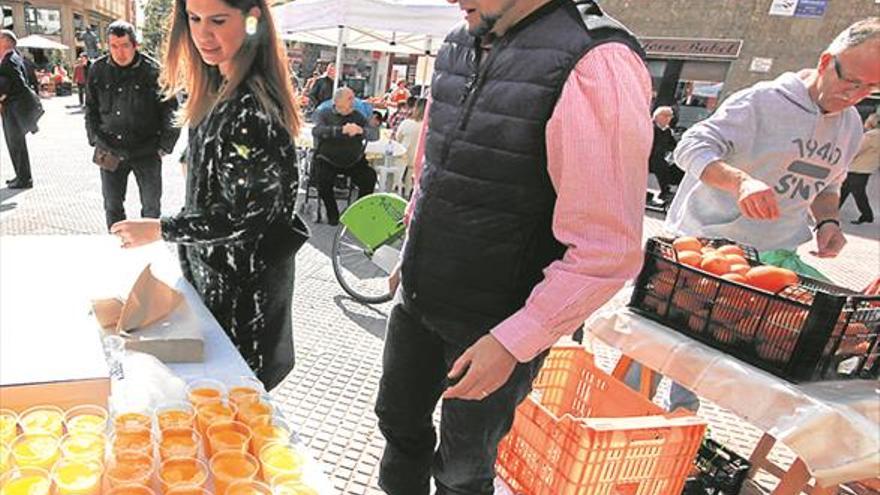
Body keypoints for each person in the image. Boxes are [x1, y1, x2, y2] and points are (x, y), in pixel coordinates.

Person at [374, 0, 652, 493]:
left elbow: (607, 248)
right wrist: (410, 247)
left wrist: (514, 341)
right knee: (398, 427)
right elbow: (433, 169)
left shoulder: (596, 59)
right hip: (419, 298)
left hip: (497, 324)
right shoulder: (461, 39)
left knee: (462, 470)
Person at [109, 0, 307, 390]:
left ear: (252, 20)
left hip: (243, 300)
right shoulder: (216, 86)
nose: (202, 34)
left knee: (234, 410)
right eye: (194, 19)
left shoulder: (251, 105)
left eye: (218, 20)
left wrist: (161, 229)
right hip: (216, 283)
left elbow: (245, 217)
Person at [667, 17, 880, 257]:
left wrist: (828, 221)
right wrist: (741, 183)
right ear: (825, 63)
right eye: (852, 82)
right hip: (704, 247)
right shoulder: (762, 101)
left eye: (872, 88)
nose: (857, 95)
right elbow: (690, 147)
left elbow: (827, 184)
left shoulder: (851, 124)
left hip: (776, 256)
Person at [85, 21, 181, 230]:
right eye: (114, 46)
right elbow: (90, 108)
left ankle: (148, 252)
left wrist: (165, 146)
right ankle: (119, 247)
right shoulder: (97, 70)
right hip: (108, 149)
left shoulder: (154, 71)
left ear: (135, 45)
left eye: (125, 46)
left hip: (146, 150)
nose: (119, 52)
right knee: (112, 205)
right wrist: (94, 138)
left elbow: (172, 111)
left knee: (151, 208)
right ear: (108, 46)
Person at [311, 87, 378, 226]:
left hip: (353, 160)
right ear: (337, 101)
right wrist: (341, 130)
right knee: (322, 180)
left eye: (353, 98)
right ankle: (332, 213)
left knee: (369, 177)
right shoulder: (324, 114)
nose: (353, 102)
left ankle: (357, 214)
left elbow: (374, 135)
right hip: (328, 159)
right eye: (349, 99)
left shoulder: (358, 116)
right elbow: (317, 130)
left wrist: (361, 131)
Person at [0, 30, 37, 189]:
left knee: (16, 144)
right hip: (13, 107)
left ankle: (24, 179)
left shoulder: (10, 60)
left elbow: (19, 83)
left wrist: (3, 96)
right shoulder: (13, 57)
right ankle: (21, 175)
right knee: (16, 144)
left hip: (13, 108)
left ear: (7, 41)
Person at [840, 113, 879, 224]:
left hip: (857, 167)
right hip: (866, 168)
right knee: (844, 189)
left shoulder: (871, 136)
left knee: (857, 192)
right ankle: (832, 211)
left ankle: (867, 215)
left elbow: (856, 149)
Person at [393, 97, 425, 197]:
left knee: (396, 181)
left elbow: (397, 139)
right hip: (418, 160)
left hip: (403, 156)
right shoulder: (427, 126)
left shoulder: (406, 123)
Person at [647, 106, 678, 206]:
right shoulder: (650, 127)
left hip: (658, 158)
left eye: (670, 116)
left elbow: (673, 145)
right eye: (666, 116)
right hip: (646, 158)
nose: (668, 118)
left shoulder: (667, 131)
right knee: (660, 164)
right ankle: (664, 191)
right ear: (657, 116)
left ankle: (667, 191)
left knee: (672, 166)